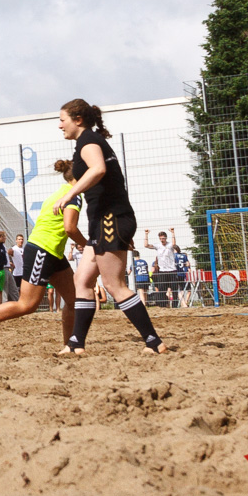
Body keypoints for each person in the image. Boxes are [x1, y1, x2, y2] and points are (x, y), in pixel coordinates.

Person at [49, 99, 165, 354]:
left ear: (77, 119)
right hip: (106, 220)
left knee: (114, 285)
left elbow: (98, 169)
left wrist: (69, 194)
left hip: (110, 219)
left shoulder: (89, 141)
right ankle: (76, 344)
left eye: (62, 119)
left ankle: (154, 342)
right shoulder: (87, 141)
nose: (59, 126)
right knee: (82, 279)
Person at [0, 158, 86, 351]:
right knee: (26, 304)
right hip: (43, 250)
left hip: (54, 253)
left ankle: (69, 345)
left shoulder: (60, 193)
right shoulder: (73, 196)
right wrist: (88, 245)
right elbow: (70, 228)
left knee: (73, 300)